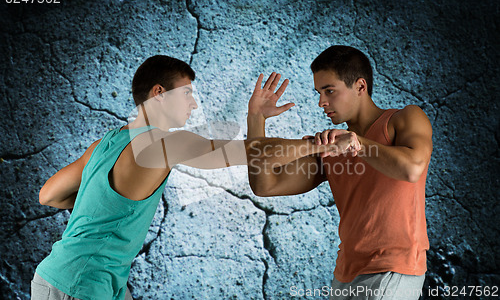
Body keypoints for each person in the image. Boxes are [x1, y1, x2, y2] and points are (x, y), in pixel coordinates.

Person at [32, 55, 343, 300]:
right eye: (187, 93)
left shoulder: (104, 144)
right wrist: (322, 144)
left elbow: (49, 195)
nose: (194, 103)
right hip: (82, 285)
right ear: (159, 94)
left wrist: (102, 206)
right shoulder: (163, 144)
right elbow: (254, 153)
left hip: (64, 276)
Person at [247, 45, 432, 300]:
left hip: (394, 268)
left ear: (360, 87)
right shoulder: (330, 146)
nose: (321, 102)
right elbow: (264, 185)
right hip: (345, 274)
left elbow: (412, 168)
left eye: (329, 91)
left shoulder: (404, 118)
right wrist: (256, 118)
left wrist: (355, 142)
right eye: (319, 93)